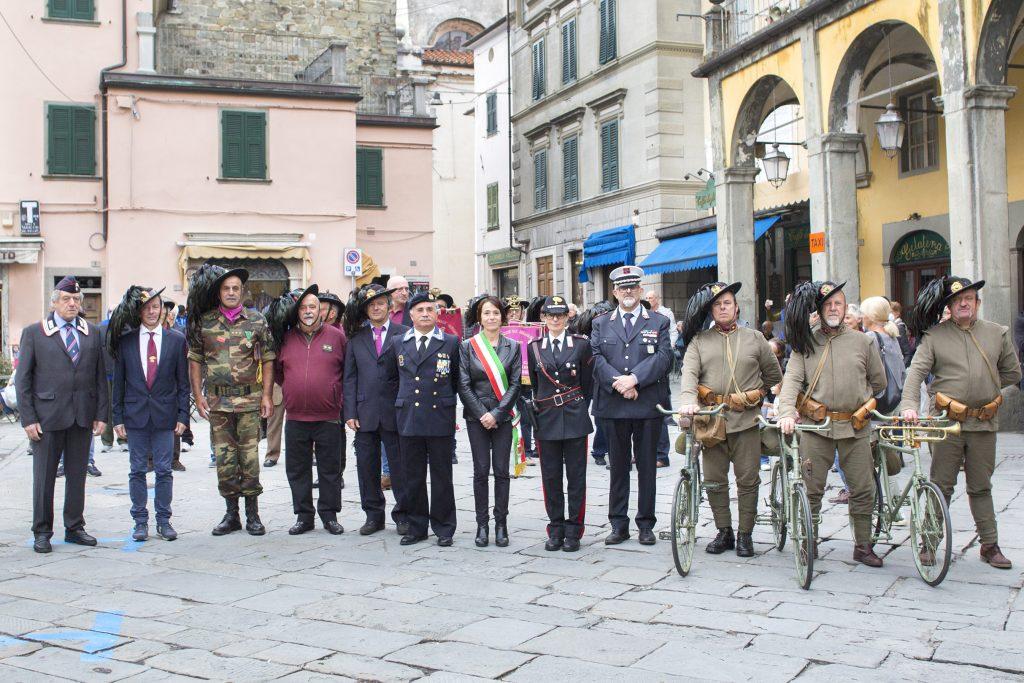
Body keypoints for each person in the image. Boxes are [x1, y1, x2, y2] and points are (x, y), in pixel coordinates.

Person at [900, 276, 1022, 569]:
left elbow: (1012, 373)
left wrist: (986, 389)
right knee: (941, 484)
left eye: (968, 298)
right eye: (957, 301)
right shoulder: (934, 337)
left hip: (983, 423)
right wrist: (909, 407)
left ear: (977, 303)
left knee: (981, 486)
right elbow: (915, 374)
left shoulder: (997, 333)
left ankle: (989, 545)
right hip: (947, 424)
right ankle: (930, 540)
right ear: (950, 307)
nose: (963, 303)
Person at [777, 281, 886, 567]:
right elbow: (791, 382)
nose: (833, 308)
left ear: (846, 306)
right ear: (819, 309)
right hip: (817, 428)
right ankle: (808, 542)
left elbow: (879, 381)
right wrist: (787, 412)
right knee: (811, 488)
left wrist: (860, 399)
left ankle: (863, 546)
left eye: (838, 303)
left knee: (863, 489)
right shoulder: (805, 343)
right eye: (827, 304)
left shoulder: (864, 342)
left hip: (855, 427)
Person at [678, 282, 782, 557]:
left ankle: (745, 534)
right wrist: (689, 402)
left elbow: (774, 376)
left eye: (727, 303)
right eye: (717, 304)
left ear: (736, 307)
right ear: (711, 311)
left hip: (746, 420)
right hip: (712, 421)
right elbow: (689, 376)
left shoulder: (755, 338)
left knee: (748, 480)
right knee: (713, 480)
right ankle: (723, 531)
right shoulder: (699, 341)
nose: (722, 308)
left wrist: (759, 393)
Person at [16, 276, 108, 554]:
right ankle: (42, 530)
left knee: (78, 475)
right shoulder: (35, 332)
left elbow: (100, 377)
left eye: (76, 299)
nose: (72, 303)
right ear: (54, 302)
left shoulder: (91, 332)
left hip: (81, 415)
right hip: (47, 418)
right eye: (66, 299)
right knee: (43, 477)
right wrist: (28, 418)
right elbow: (23, 381)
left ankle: (75, 526)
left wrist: (101, 413)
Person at [187, 265, 275, 537]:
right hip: (219, 404)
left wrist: (268, 395)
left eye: (236, 288)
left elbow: (269, 358)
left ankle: (253, 514)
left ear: (242, 291)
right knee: (225, 460)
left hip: (249, 401)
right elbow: (195, 360)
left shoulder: (257, 320)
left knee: (249, 459)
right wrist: (198, 395)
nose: (231, 292)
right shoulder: (206, 322)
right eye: (226, 288)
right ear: (219, 292)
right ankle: (231, 514)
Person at [591, 266, 673, 546]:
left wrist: (635, 380)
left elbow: (664, 358)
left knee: (647, 466)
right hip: (614, 404)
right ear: (614, 292)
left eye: (632, 287)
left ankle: (646, 524)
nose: (627, 291)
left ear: (640, 290)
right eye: (622, 288)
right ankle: (618, 524)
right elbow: (597, 358)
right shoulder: (601, 323)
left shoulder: (659, 321)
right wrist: (620, 383)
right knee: (618, 466)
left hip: (647, 403)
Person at [110, 286, 189, 542]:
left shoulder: (176, 340)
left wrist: (183, 416)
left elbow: (182, 382)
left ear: (163, 310)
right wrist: (117, 417)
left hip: (165, 416)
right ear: (139, 311)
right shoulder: (126, 341)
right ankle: (140, 521)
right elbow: (118, 382)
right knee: (136, 470)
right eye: (147, 308)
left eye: (156, 307)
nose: (152, 312)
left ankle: (164, 521)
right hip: (135, 416)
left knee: (165, 470)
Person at [388, 290, 460, 546]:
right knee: (413, 476)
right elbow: (392, 378)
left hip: (439, 415)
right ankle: (417, 527)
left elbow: (455, 380)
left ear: (437, 313)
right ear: (411, 315)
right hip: (409, 417)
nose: (426, 314)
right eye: (420, 310)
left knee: (442, 476)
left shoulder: (450, 342)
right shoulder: (399, 342)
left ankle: (444, 528)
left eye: (430, 309)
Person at [273, 284, 346, 535]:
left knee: (330, 468)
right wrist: (297, 389)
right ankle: (304, 516)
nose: (308, 311)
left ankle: (329, 515)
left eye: (312, 306)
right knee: (297, 468)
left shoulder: (337, 337)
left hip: (328, 416)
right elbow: (279, 373)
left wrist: (334, 395)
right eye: (303, 307)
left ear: (321, 310)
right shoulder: (285, 337)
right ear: (297, 311)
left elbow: (347, 372)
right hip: (295, 417)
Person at [343, 284, 410, 536]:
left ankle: (403, 515)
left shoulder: (404, 333)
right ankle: (373, 516)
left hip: (396, 411)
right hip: (365, 413)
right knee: (366, 467)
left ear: (389, 306)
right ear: (365, 309)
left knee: (399, 467)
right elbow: (349, 378)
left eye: (380, 303)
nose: (376, 307)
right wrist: (349, 412)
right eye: (371, 304)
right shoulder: (356, 338)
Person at [528, 296, 594, 552]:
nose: (555, 319)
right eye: (550, 315)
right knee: (551, 477)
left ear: (568, 317)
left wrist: (577, 407)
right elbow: (536, 387)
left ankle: (574, 530)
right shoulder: (534, 347)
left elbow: (587, 384)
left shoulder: (581, 345)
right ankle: (555, 528)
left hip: (576, 418)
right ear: (543, 317)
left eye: (560, 315)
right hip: (547, 420)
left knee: (576, 477)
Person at [458, 295, 521, 548]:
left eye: (495, 313)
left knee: (502, 472)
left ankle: (501, 524)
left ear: (502, 316)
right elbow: (463, 384)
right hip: (477, 418)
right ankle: (482, 525)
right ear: (479, 317)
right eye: (486, 313)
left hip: (503, 417)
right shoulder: (467, 346)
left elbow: (516, 383)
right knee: (481, 471)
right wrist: (482, 413)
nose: (491, 317)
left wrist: (497, 413)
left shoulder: (514, 346)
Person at [506, 295, 538, 464]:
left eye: (516, 311)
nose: (513, 315)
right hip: (504, 381)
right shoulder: (498, 330)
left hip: (525, 379)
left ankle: (526, 450)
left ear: (522, 313)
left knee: (526, 416)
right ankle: (502, 447)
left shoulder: (530, 329)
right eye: (510, 311)